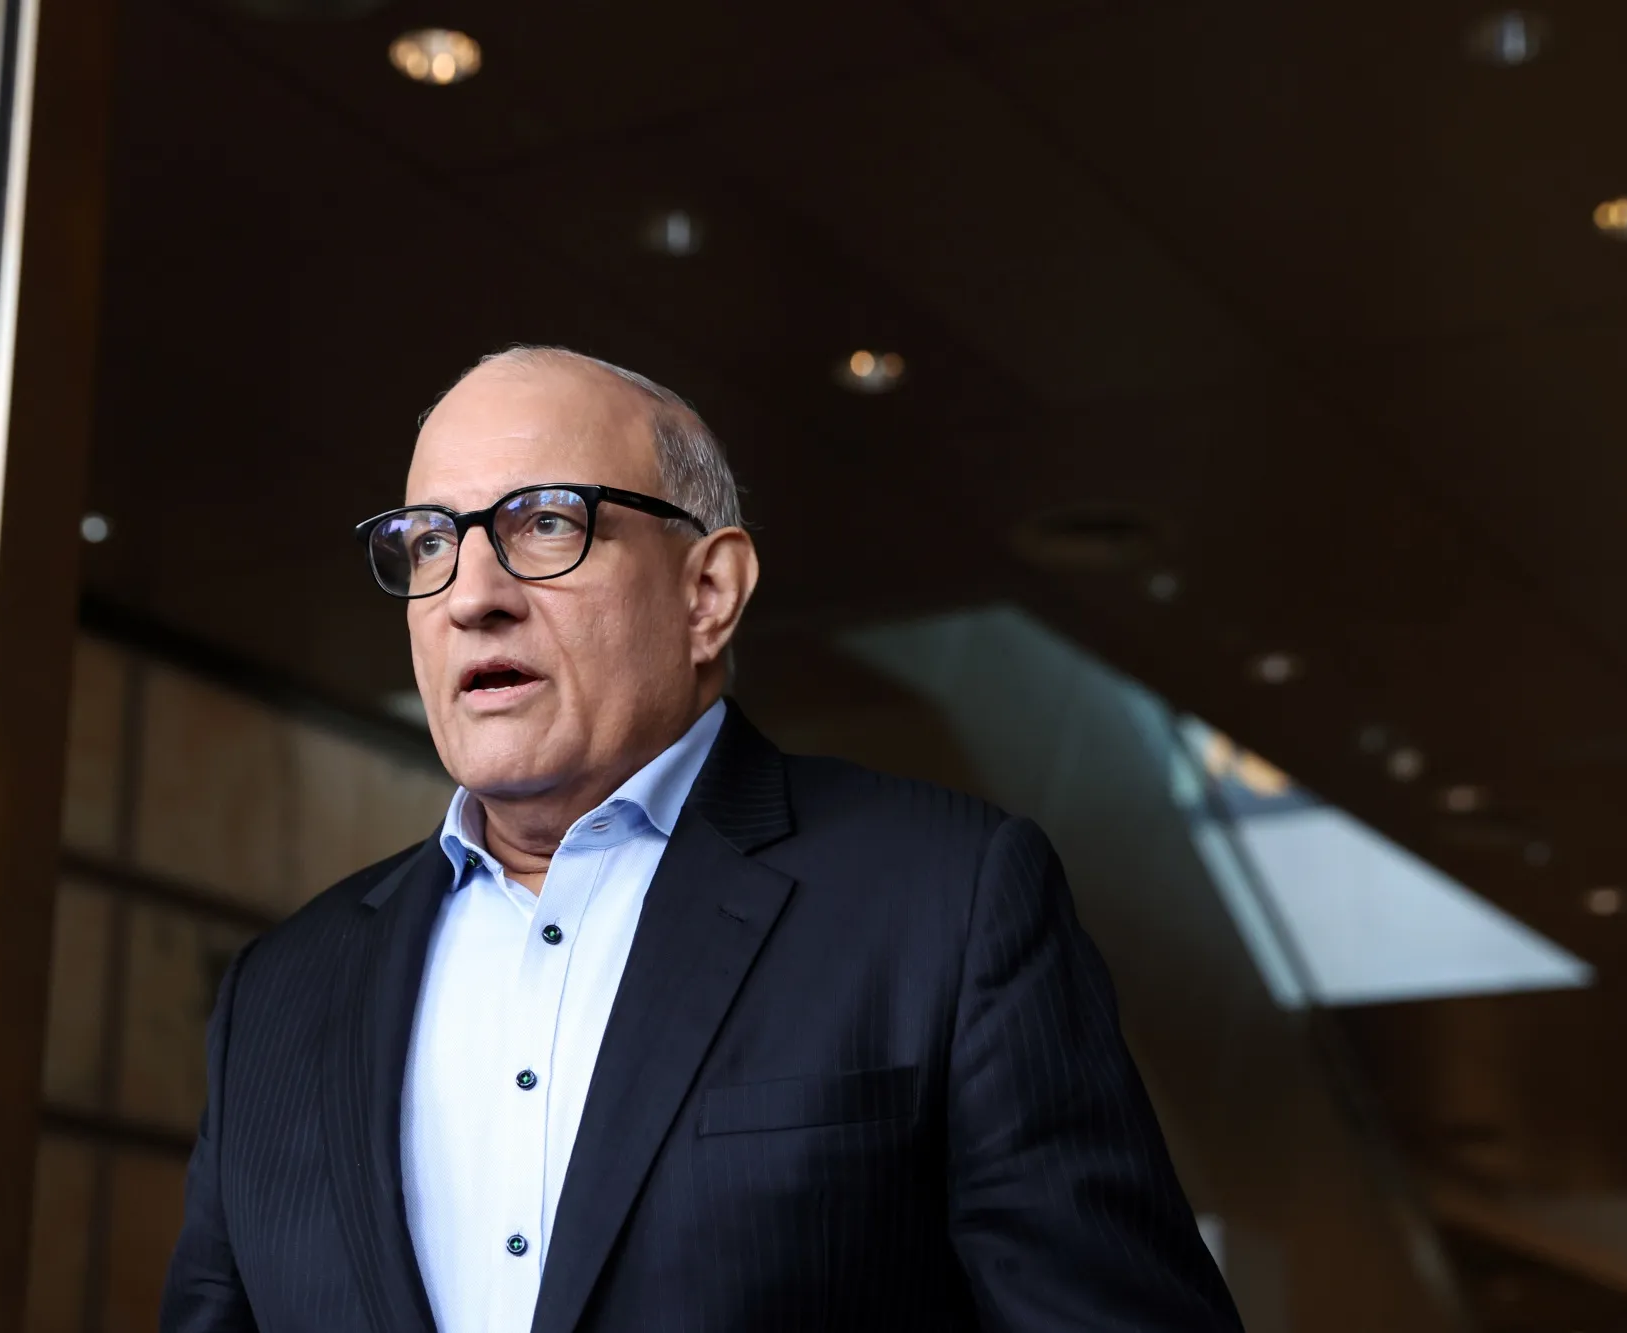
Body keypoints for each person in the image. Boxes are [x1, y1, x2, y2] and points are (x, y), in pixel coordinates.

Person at [160, 347, 1244, 1333]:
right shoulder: (280, 994)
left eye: (545, 523)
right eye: (431, 541)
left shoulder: (945, 903)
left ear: (707, 592)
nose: (471, 597)